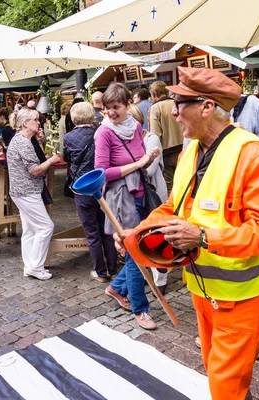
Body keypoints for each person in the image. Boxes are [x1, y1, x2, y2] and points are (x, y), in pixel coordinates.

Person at [117, 67, 259, 399]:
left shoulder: (254, 154)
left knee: (225, 383)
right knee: (219, 370)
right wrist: (137, 232)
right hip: (203, 287)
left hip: (242, 294)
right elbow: (174, 206)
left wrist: (202, 238)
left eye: (180, 102)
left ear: (207, 106)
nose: (172, 111)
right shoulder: (190, 151)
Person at [96, 83, 160, 330]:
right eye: (106, 108)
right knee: (135, 252)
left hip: (141, 193)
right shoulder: (104, 133)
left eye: (115, 107)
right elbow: (101, 173)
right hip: (121, 199)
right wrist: (138, 164)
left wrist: (149, 159)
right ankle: (140, 309)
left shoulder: (135, 127)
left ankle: (116, 288)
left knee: (140, 248)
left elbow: (140, 159)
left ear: (127, 106)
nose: (111, 113)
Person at [63, 102, 117, 283]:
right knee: (107, 230)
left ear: (73, 117)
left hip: (83, 188)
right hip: (102, 185)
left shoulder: (69, 137)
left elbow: (66, 158)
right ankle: (113, 267)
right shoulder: (102, 132)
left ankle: (100, 272)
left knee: (92, 232)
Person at [6, 108, 60, 280]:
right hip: (27, 191)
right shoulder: (22, 142)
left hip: (22, 191)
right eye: (36, 120)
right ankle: (35, 266)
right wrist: (52, 160)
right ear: (25, 123)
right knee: (46, 227)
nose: (38, 123)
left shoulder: (23, 140)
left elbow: (36, 161)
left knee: (29, 229)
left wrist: (39, 141)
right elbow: (35, 170)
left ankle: (30, 265)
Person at [129, 103, 169, 293]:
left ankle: (161, 279)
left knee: (156, 235)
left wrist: (128, 165)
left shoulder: (151, 139)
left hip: (152, 193)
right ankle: (149, 272)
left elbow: (150, 169)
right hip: (136, 194)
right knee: (142, 236)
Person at [148, 81, 184, 193]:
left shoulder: (155, 108)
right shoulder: (177, 103)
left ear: (154, 94)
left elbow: (155, 134)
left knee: (170, 189)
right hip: (184, 149)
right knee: (183, 184)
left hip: (167, 153)